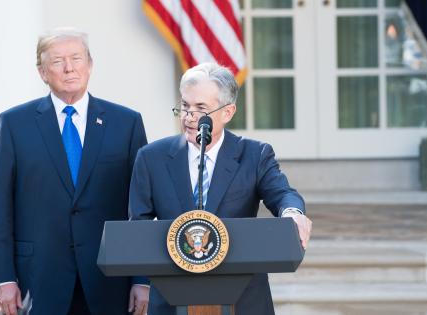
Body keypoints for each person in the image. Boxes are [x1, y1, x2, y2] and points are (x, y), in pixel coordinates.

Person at [0, 27, 150, 315]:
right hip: (37, 279)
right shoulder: (13, 124)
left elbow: (140, 208)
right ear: (42, 72)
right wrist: (2, 276)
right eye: (58, 61)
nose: (69, 68)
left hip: (109, 279)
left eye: (76, 58)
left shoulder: (127, 123)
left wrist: (142, 279)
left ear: (90, 65)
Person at [129, 62, 312, 315]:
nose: (189, 117)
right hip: (172, 298)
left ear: (227, 112)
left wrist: (293, 212)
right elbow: (138, 224)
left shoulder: (254, 154)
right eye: (185, 106)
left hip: (243, 299)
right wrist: (141, 280)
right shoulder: (151, 157)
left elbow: (282, 193)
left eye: (200, 108)